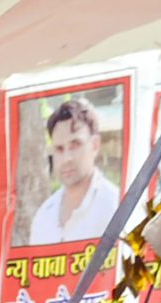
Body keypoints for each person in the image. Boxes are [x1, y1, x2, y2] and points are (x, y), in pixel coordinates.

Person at [27, 96, 118, 245]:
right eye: (59, 149)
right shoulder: (44, 216)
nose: (66, 158)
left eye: (75, 145)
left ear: (95, 145)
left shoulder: (114, 206)